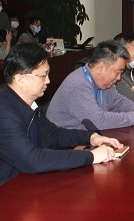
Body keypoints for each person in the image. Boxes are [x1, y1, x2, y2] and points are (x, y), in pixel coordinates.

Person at [0, 43, 122, 185]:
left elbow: (55, 135)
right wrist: (90, 156)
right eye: (43, 75)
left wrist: (90, 137)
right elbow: (33, 160)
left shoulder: (28, 105)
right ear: (21, 79)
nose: (48, 81)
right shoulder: (4, 113)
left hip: (27, 181)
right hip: (8, 189)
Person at [47, 40, 134, 130]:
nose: (119, 78)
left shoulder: (103, 83)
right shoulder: (79, 85)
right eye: (117, 72)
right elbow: (98, 122)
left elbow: (117, 102)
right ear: (101, 68)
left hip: (90, 138)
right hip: (66, 146)